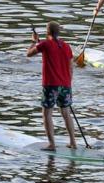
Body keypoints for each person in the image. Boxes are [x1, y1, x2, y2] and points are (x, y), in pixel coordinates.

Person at [27, 22, 77, 151]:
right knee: (66, 113)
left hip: (51, 84)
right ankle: (73, 142)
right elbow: (70, 66)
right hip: (66, 84)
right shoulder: (66, 46)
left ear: (47, 32)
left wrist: (33, 42)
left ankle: (52, 144)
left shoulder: (45, 44)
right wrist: (68, 83)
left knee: (47, 113)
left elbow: (29, 54)